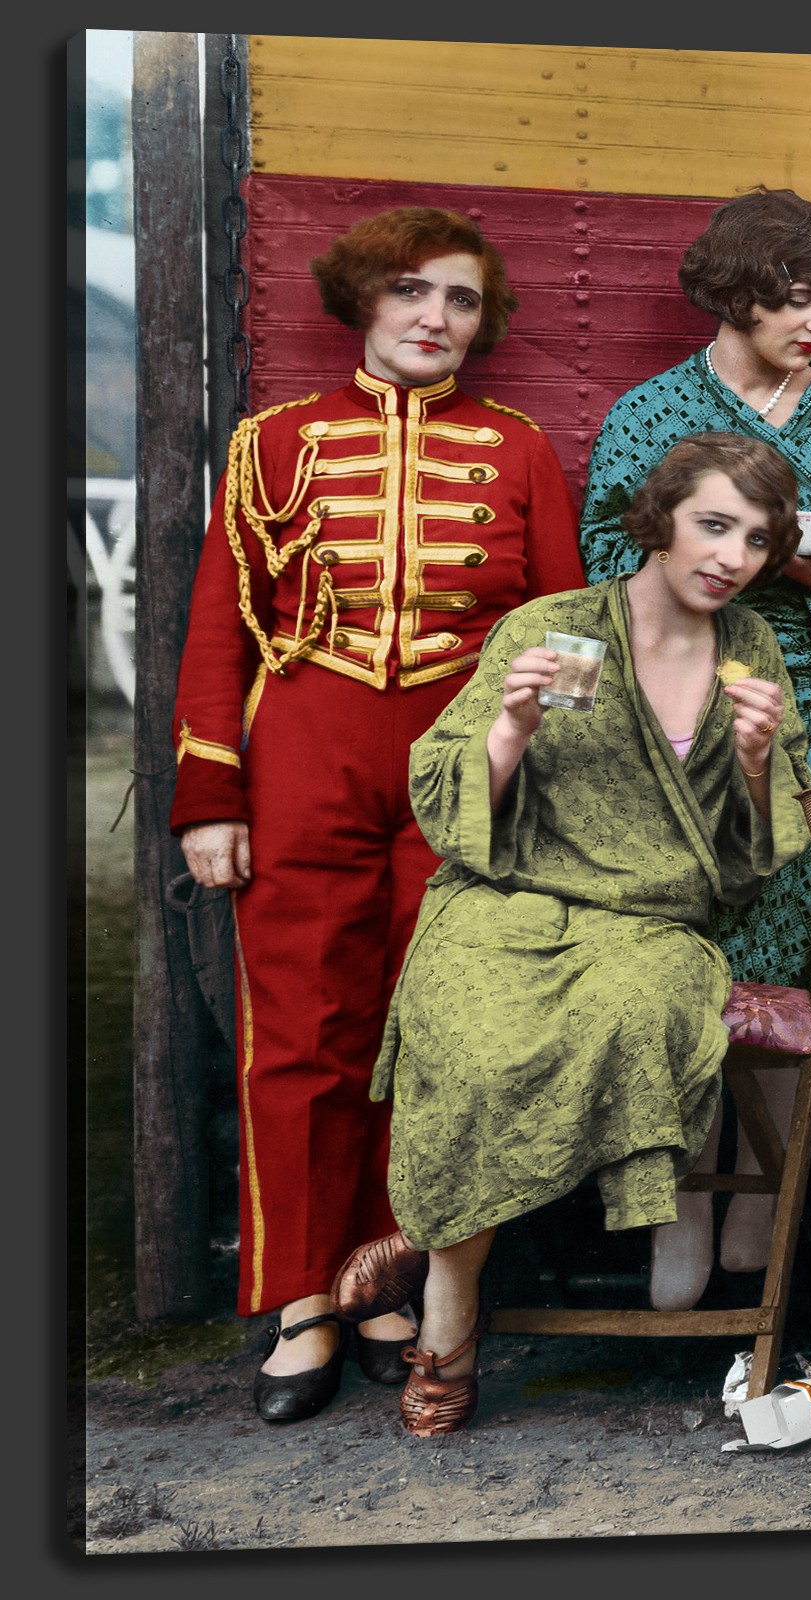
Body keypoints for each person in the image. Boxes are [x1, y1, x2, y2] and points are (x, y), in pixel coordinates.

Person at [168, 206, 585, 1423]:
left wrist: (542, 793)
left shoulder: (519, 450)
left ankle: (389, 1274)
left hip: (464, 759)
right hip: (305, 745)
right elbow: (217, 631)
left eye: (458, 302)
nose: (433, 319)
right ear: (365, 304)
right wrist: (210, 791)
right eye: (411, 292)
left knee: (435, 1024)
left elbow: (562, 633)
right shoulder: (272, 443)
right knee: (302, 1023)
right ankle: (303, 1293)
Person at [332, 432, 811, 1437]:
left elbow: (746, 864)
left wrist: (761, 761)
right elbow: (444, 789)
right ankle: (450, 1307)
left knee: (633, 1009)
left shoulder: (750, 649)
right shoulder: (555, 630)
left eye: (758, 539)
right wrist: (511, 728)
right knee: (466, 1031)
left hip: (650, 921)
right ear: (662, 516)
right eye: (713, 524)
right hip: (510, 900)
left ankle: (430, 1272)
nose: (731, 556)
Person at [577, 188, 811, 1290]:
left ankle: (758, 1232)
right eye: (793, 301)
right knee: (684, 956)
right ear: (734, 293)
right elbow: (599, 555)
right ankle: (677, 1223)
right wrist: (696, 588)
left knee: (786, 963)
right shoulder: (651, 413)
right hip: (677, 700)